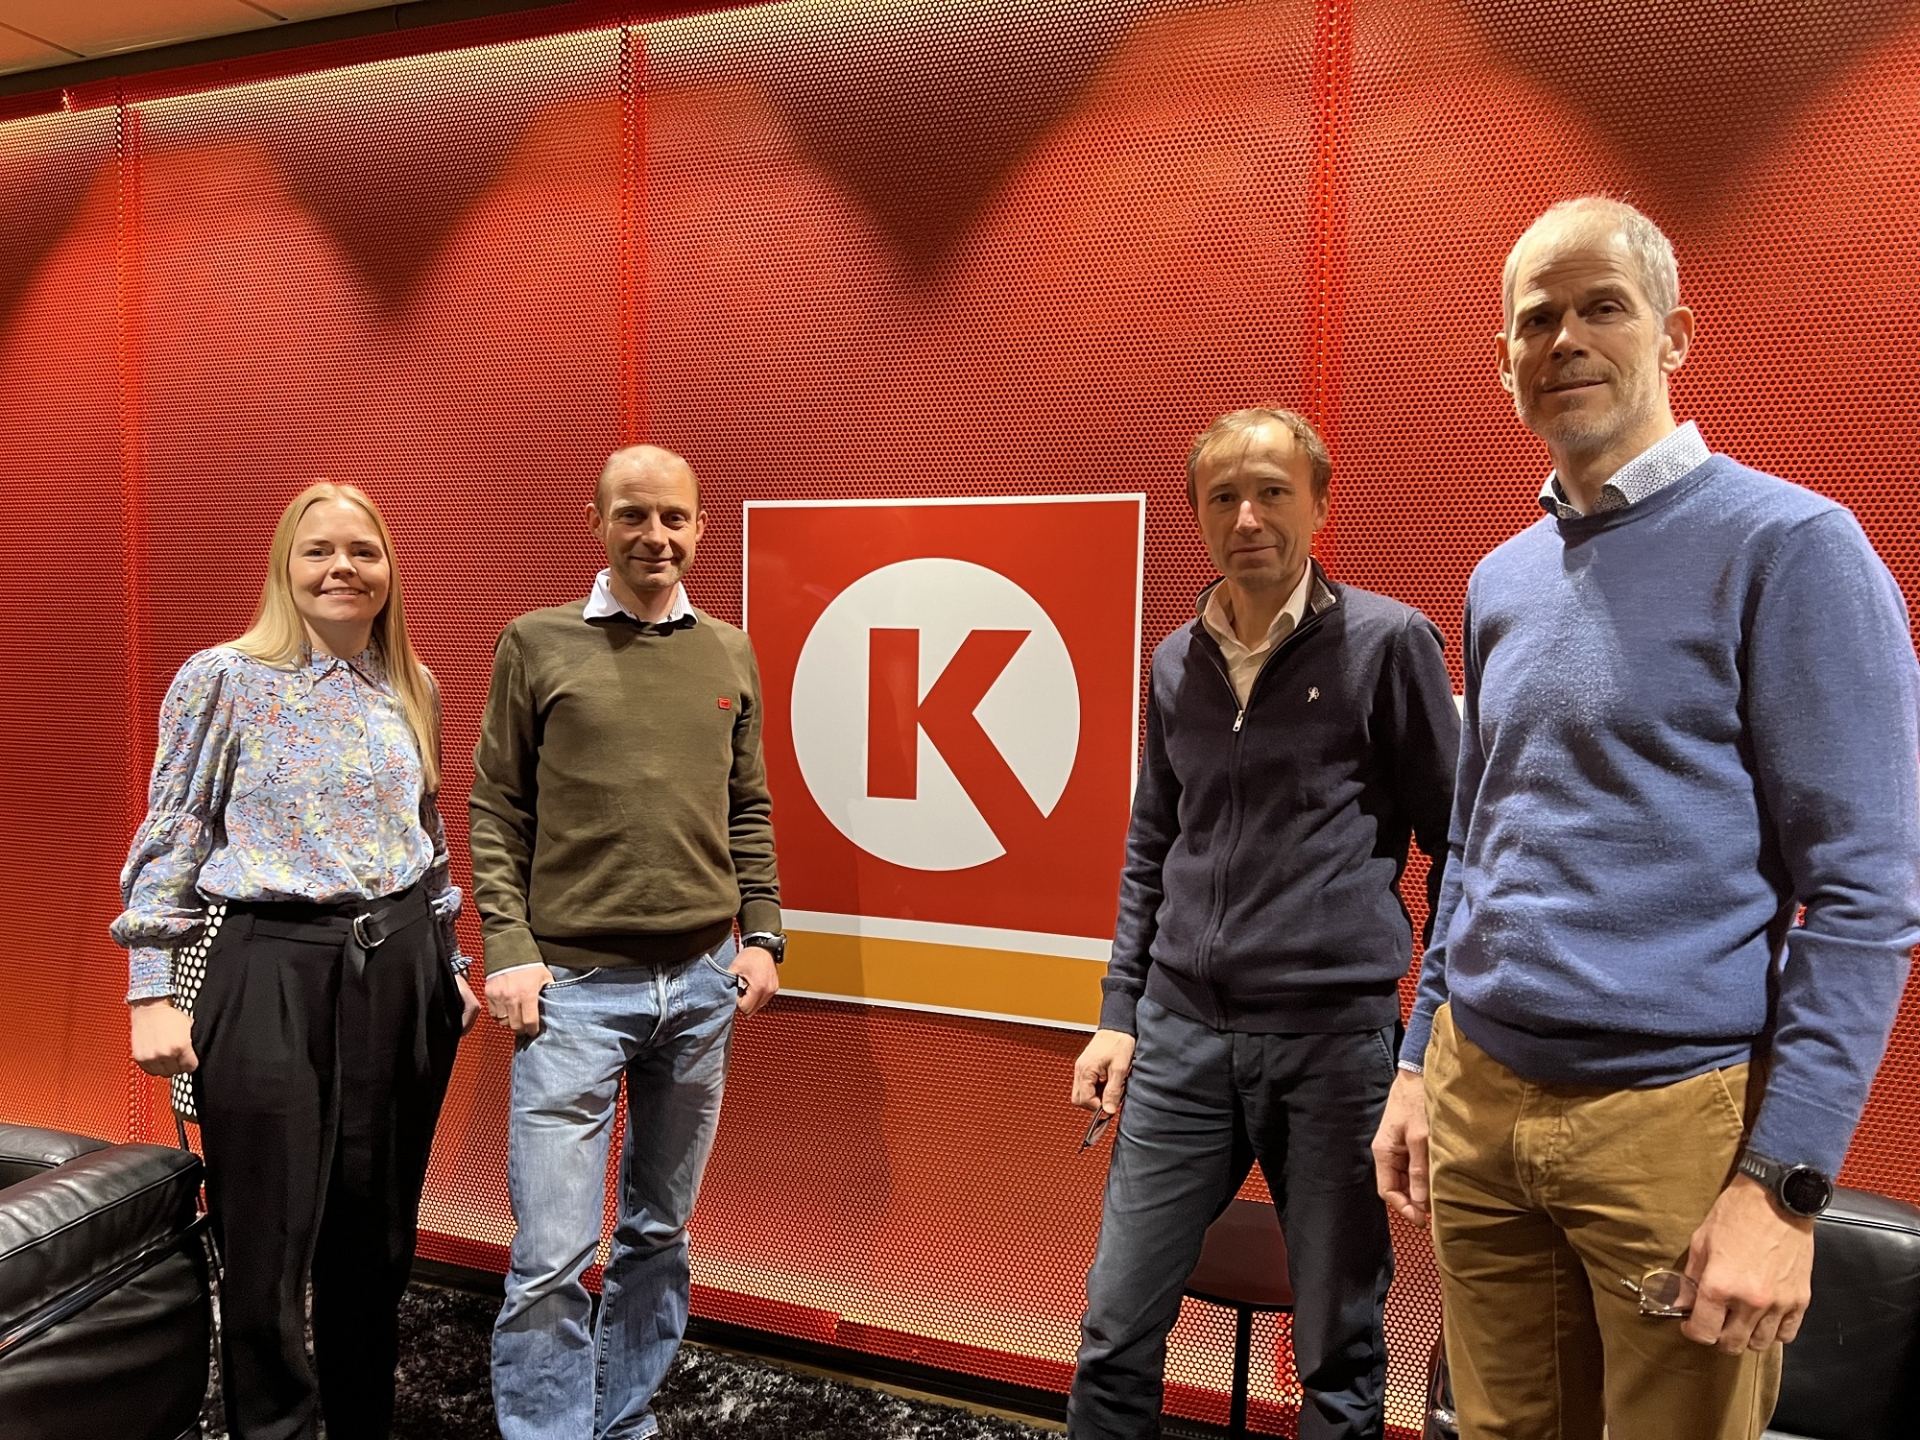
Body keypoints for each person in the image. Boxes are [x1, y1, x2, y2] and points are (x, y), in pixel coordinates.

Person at [1372, 197, 1920, 1440]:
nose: (1565, 339)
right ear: (1504, 359)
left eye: (1602, 307)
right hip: (1477, 1097)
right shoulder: (1504, 579)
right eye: (1537, 319)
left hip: (1670, 1124)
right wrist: (1418, 1064)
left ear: (1674, 336)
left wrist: (1782, 1189)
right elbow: (1479, 840)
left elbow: (1865, 896)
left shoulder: (1793, 549)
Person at [1068, 408, 1460, 1440]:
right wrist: (1119, 1011)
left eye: (1273, 492)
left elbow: (1460, 849)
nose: (1248, 517)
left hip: (1333, 1049)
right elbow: (1154, 846)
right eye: (1224, 497)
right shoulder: (1173, 662)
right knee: (1113, 1333)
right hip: (1180, 1040)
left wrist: (1423, 1046)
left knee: (1340, 1350)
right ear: (1199, 514)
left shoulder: (1390, 645)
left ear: (1319, 506)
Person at [114, 481, 480, 1440]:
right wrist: (151, 990)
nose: (341, 568)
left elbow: (429, 836)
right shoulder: (223, 678)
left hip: (400, 969)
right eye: (319, 550)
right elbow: (173, 834)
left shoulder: (413, 685)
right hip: (268, 967)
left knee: (377, 1238)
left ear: (389, 569)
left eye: (363, 550)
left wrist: (450, 961)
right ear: (286, 565)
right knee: (267, 1244)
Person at [474, 443, 783, 1440]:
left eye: (675, 518)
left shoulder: (729, 651)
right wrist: (509, 947)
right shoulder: (536, 642)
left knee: (659, 1236)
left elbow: (747, 806)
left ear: (699, 527)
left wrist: (764, 934)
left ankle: (621, 1420)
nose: (657, 537)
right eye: (634, 516)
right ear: (598, 523)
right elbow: (496, 808)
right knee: (552, 1257)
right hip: (572, 992)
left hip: (700, 988)